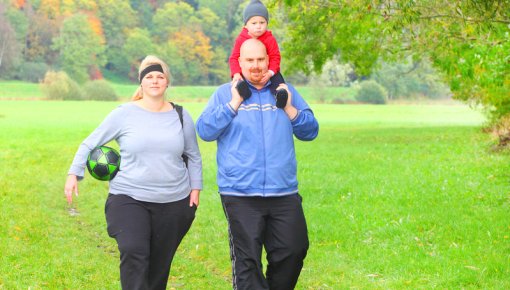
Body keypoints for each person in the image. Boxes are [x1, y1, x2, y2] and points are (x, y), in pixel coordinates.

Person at [64, 55, 202, 290]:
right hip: (128, 198)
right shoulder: (123, 114)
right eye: (149, 76)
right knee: (134, 251)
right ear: (141, 82)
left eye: (160, 76)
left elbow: (194, 156)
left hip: (174, 202)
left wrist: (196, 190)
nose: (155, 80)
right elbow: (89, 144)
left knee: (159, 267)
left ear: (167, 82)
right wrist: (73, 174)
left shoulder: (181, 115)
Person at [196, 39, 319, 290]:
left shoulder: (285, 91)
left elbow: (311, 130)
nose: (256, 66)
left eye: (260, 59)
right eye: (249, 60)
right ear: (240, 63)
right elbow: (205, 130)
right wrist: (234, 103)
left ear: (269, 61)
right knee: (247, 262)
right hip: (240, 193)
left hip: (283, 191)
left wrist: (289, 108)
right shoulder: (224, 93)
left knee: (293, 250)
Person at [229, 0, 288, 107]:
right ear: (246, 25)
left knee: (279, 82)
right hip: (247, 71)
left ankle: (280, 97)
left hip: (268, 71)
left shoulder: (269, 39)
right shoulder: (241, 39)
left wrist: (270, 72)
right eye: (254, 23)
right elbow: (234, 58)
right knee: (238, 81)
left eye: (262, 22)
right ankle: (243, 93)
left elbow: (275, 57)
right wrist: (236, 73)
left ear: (267, 23)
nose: (258, 26)